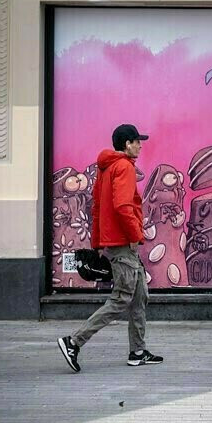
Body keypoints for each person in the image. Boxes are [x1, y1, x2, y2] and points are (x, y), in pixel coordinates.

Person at [57, 123, 162, 372]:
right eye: (137, 141)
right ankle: (74, 342)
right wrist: (136, 235)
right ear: (127, 144)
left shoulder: (106, 168)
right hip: (123, 245)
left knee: (139, 297)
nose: (140, 145)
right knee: (120, 299)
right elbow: (123, 206)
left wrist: (97, 243)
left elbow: (96, 207)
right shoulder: (124, 167)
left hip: (115, 244)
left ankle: (138, 351)